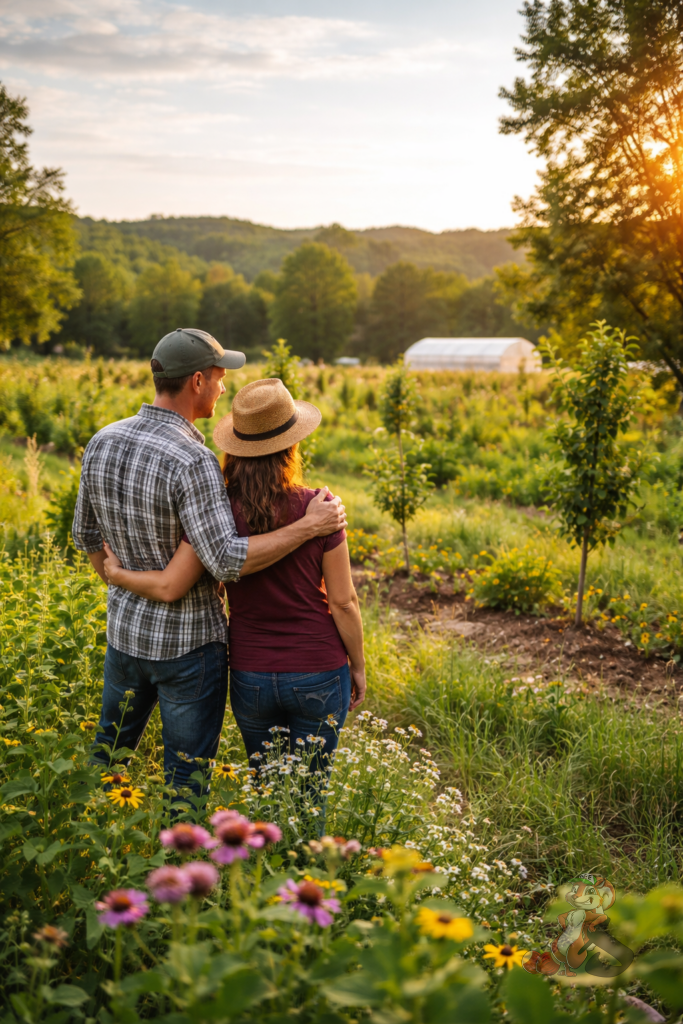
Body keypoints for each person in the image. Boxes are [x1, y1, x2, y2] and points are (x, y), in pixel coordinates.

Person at [72, 330, 346, 801]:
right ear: (197, 380)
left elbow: (86, 535)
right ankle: (179, 867)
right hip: (187, 647)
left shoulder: (104, 439)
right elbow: (223, 559)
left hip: (125, 635)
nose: (223, 388)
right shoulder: (193, 459)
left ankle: (85, 830)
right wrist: (307, 527)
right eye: (220, 378)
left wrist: (118, 580)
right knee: (186, 777)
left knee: (109, 752)